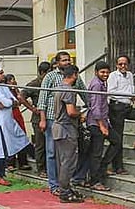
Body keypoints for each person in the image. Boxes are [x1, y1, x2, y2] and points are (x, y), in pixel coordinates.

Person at [38, 52, 89, 194]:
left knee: (66, 156)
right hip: (51, 119)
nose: (67, 62)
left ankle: (65, 185)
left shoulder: (74, 79)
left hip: (67, 122)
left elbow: (84, 94)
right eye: (64, 60)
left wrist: (92, 108)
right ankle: (54, 185)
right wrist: (42, 119)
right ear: (57, 62)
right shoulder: (51, 77)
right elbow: (42, 99)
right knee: (52, 153)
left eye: (69, 60)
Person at [0, 65, 30, 186]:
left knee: (24, 141)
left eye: (2, 72)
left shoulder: (4, 87)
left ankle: (42, 167)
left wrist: (9, 103)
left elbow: (14, 100)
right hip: (0, 124)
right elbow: (8, 102)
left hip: (10, 121)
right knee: (1, 151)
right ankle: (0, 176)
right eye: (0, 73)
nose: (3, 75)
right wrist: (9, 102)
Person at [52, 65, 84, 203]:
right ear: (74, 75)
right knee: (68, 162)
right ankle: (65, 192)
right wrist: (81, 115)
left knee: (62, 161)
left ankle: (65, 187)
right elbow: (71, 112)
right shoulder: (69, 90)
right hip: (66, 129)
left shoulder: (59, 87)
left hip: (58, 129)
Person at [87, 61, 120, 192]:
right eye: (102, 72)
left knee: (116, 141)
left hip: (103, 121)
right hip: (96, 123)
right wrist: (102, 125)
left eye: (107, 72)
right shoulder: (96, 85)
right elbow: (95, 107)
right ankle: (95, 181)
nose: (105, 74)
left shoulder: (102, 83)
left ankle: (102, 168)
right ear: (96, 72)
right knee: (96, 152)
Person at [22, 61, 51, 178]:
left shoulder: (51, 82)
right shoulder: (35, 84)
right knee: (40, 145)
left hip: (50, 116)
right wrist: (33, 109)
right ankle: (41, 169)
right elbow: (21, 96)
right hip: (38, 118)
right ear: (43, 72)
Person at [5, 73, 37, 171]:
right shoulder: (4, 91)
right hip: (10, 115)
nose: (12, 81)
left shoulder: (16, 90)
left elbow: (20, 100)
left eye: (13, 79)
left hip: (17, 115)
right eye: (10, 80)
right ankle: (11, 162)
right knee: (11, 139)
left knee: (22, 137)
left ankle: (23, 162)